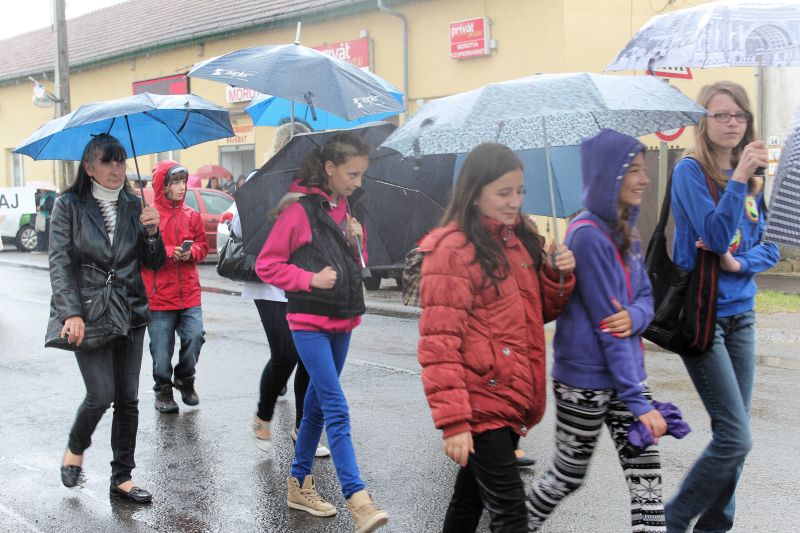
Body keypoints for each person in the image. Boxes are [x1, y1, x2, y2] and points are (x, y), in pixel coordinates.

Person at [417, 143, 575, 533]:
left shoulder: (518, 242)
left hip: (511, 393)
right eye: (504, 192)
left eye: (519, 191)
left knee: (469, 502)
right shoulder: (451, 250)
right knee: (511, 515)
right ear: (474, 193)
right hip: (480, 401)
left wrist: (556, 275)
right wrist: (455, 422)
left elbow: (537, 315)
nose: (515, 201)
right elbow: (439, 344)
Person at [525, 129, 667, 532]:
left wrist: (636, 317)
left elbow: (644, 298)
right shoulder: (586, 236)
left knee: (646, 479)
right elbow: (609, 328)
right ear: (609, 176)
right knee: (566, 476)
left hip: (626, 375)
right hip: (585, 382)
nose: (644, 179)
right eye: (634, 171)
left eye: (643, 170)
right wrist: (640, 402)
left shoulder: (626, 233)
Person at [255, 132, 388, 533]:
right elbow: (267, 265)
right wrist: (310, 279)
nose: (358, 182)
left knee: (314, 407)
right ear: (329, 168)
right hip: (309, 321)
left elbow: (355, 266)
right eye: (352, 174)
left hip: (343, 319)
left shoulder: (347, 209)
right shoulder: (298, 211)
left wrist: (356, 241)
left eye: (362, 175)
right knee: (335, 405)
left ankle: (298, 483)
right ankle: (358, 499)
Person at [664, 81, 780, 533]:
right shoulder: (690, 171)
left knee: (735, 437)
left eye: (740, 115)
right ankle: (674, 520)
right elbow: (713, 235)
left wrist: (739, 262)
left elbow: (769, 247)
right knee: (735, 438)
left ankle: (714, 526)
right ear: (704, 120)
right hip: (703, 315)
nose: (732, 123)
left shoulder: (753, 179)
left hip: (742, 317)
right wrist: (736, 180)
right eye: (721, 115)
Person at [49, 133, 166, 503]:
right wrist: (71, 312)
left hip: (131, 310)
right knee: (101, 393)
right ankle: (76, 445)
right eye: (107, 161)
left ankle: (122, 477)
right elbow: (60, 263)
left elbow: (153, 262)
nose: (116, 169)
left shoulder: (135, 204)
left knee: (128, 399)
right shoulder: (68, 205)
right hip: (90, 311)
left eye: (120, 161)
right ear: (89, 167)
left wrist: (152, 232)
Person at [233, 122, 329, 457]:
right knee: (286, 353)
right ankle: (263, 415)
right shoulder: (261, 179)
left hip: (304, 277)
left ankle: (304, 428)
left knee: (309, 357)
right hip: (270, 281)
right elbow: (239, 227)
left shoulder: (316, 186)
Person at [141, 161, 209, 414]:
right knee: (161, 350)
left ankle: (185, 378)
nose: (182, 187)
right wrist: (170, 251)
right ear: (163, 186)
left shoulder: (192, 215)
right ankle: (163, 390)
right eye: (175, 182)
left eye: (183, 181)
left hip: (189, 293)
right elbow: (142, 254)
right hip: (159, 296)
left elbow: (203, 246)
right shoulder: (150, 217)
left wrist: (192, 253)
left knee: (195, 336)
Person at [35, 188, 56, 252]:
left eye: (42, 189)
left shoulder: (50, 197)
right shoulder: (42, 197)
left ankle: (47, 248)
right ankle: (43, 248)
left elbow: (50, 206)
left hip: (47, 217)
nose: (41, 190)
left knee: (47, 233)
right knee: (41, 232)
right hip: (42, 217)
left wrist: (41, 208)